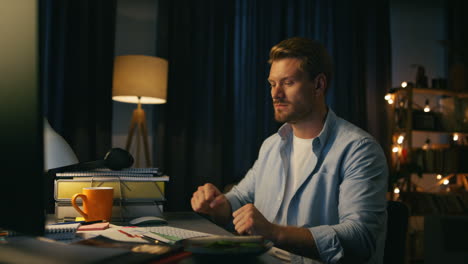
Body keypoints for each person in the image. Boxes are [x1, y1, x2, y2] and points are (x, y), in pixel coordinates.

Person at [191, 37, 388, 263]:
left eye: (288, 82)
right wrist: (217, 204)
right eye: (272, 84)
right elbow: (240, 198)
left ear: (318, 85)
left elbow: (360, 239)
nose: (276, 94)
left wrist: (275, 233)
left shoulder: (359, 150)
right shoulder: (272, 145)